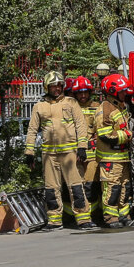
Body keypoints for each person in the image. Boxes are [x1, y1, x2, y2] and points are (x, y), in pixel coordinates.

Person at [24, 71, 94, 230]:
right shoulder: (39, 106)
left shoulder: (71, 103)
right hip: (49, 155)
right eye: (53, 86)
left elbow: (80, 125)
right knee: (51, 188)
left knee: (75, 186)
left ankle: (83, 219)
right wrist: (29, 152)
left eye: (59, 86)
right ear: (47, 87)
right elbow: (32, 130)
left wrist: (82, 147)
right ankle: (54, 221)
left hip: (70, 152)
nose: (57, 89)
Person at [94, 74, 134, 227]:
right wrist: (126, 135)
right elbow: (104, 134)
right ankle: (111, 218)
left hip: (122, 157)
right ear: (112, 91)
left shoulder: (120, 106)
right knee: (112, 189)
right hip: (110, 159)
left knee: (125, 186)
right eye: (122, 91)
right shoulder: (105, 108)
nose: (125, 93)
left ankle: (123, 215)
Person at [71, 76, 102, 220]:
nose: (83, 95)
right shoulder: (70, 107)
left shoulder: (96, 107)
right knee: (78, 186)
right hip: (75, 153)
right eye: (79, 93)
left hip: (92, 154)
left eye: (85, 92)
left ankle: (94, 213)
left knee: (92, 186)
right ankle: (80, 215)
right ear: (74, 94)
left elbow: (101, 127)